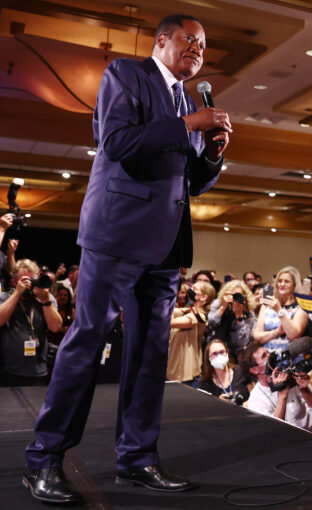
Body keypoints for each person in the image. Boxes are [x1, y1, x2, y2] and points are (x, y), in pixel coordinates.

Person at [24, 13, 231, 503]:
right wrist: (187, 126)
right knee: (87, 340)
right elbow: (116, 142)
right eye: (190, 40)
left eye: (204, 46)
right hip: (116, 236)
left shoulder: (187, 100)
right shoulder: (126, 75)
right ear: (161, 40)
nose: (198, 50)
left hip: (165, 248)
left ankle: (137, 458)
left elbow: (190, 183)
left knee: (148, 355)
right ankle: (44, 460)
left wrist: (214, 155)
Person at [240, 343, 312, 434]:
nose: (270, 356)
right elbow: (274, 432)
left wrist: (305, 389)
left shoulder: (291, 375)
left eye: (268, 352)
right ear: (254, 370)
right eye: (264, 356)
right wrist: (282, 396)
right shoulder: (256, 399)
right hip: (294, 443)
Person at [0, 259, 62, 387]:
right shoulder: (6, 297)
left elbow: (55, 327)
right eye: (24, 280)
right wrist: (17, 293)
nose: (29, 284)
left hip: (38, 371)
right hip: (10, 371)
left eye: (32, 280)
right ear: (14, 282)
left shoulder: (46, 299)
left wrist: (46, 302)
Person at [251, 266, 312, 356]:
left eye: (287, 281)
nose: (282, 284)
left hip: (291, 358)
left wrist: (279, 310)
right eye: (280, 281)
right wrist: (276, 332)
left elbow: (293, 335)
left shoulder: (301, 306)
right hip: (266, 357)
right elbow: (256, 336)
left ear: (294, 284)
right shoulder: (267, 304)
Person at [166, 280, 215, 384]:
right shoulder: (188, 311)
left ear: (203, 297)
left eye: (195, 289)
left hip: (186, 373)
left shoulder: (199, 316)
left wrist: (170, 299)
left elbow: (170, 322)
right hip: (174, 369)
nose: (190, 291)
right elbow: (174, 311)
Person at [206, 279, 256, 358]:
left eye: (238, 295)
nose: (234, 298)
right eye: (232, 295)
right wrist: (223, 307)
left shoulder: (248, 311)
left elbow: (242, 342)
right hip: (217, 349)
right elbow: (210, 324)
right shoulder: (219, 304)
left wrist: (239, 315)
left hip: (237, 354)